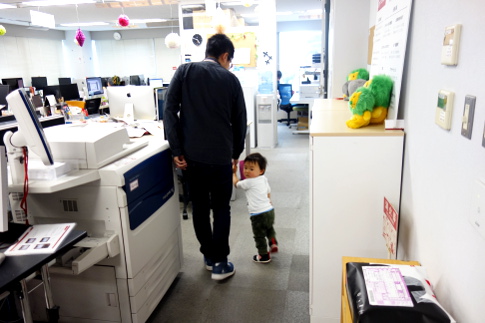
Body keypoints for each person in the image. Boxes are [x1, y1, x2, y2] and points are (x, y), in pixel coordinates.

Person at [164, 33, 247, 281]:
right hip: (221, 155)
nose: (229, 64)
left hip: (192, 156)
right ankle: (221, 262)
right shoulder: (231, 80)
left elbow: (169, 109)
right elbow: (239, 121)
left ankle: (208, 256)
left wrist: (176, 149)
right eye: (229, 60)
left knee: (200, 206)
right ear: (224, 56)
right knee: (221, 207)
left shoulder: (184, 71)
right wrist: (236, 154)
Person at [232, 153, 278, 263]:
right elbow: (268, 192)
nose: (247, 171)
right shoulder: (263, 179)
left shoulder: (248, 182)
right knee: (269, 228)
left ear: (261, 170)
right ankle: (272, 241)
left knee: (259, 235)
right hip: (269, 210)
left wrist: (233, 173)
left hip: (257, 214)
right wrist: (268, 201)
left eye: (251, 169)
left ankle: (263, 256)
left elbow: (236, 184)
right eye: (245, 168)